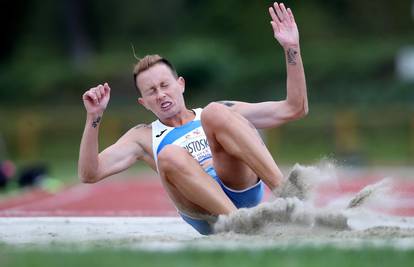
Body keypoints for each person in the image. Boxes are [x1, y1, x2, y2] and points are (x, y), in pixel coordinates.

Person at [78, 2, 308, 235]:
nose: (160, 95)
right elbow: (90, 173)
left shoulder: (218, 112)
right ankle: (240, 226)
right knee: (168, 154)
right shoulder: (143, 136)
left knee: (214, 111)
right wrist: (94, 117)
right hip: (202, 211)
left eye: (165, 85)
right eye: (151, 92)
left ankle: (291, 199)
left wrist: (292, 47)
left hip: (239, 186)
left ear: (181, 85)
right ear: (143, 103)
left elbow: (294, 108)